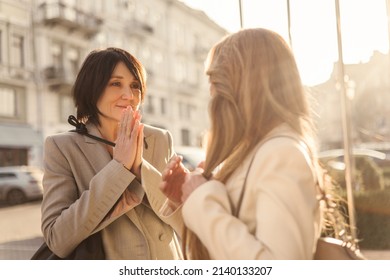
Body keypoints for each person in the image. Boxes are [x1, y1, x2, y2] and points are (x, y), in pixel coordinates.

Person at [160, 28, 341, 260]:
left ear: (242, 85)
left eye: (215, 79)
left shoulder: (282, 153)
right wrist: (186, 199)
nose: (211, 91)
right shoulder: (251, 153)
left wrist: (201, 199)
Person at [41, 47, 183, 260]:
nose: (129, 96)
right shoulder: (62, 147)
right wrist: (119, 169)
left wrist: (140, 170)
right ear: (92, 89)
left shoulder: (160, 139)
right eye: (116, 83)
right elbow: (57, 239)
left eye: (135, 86)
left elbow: (187, 223)